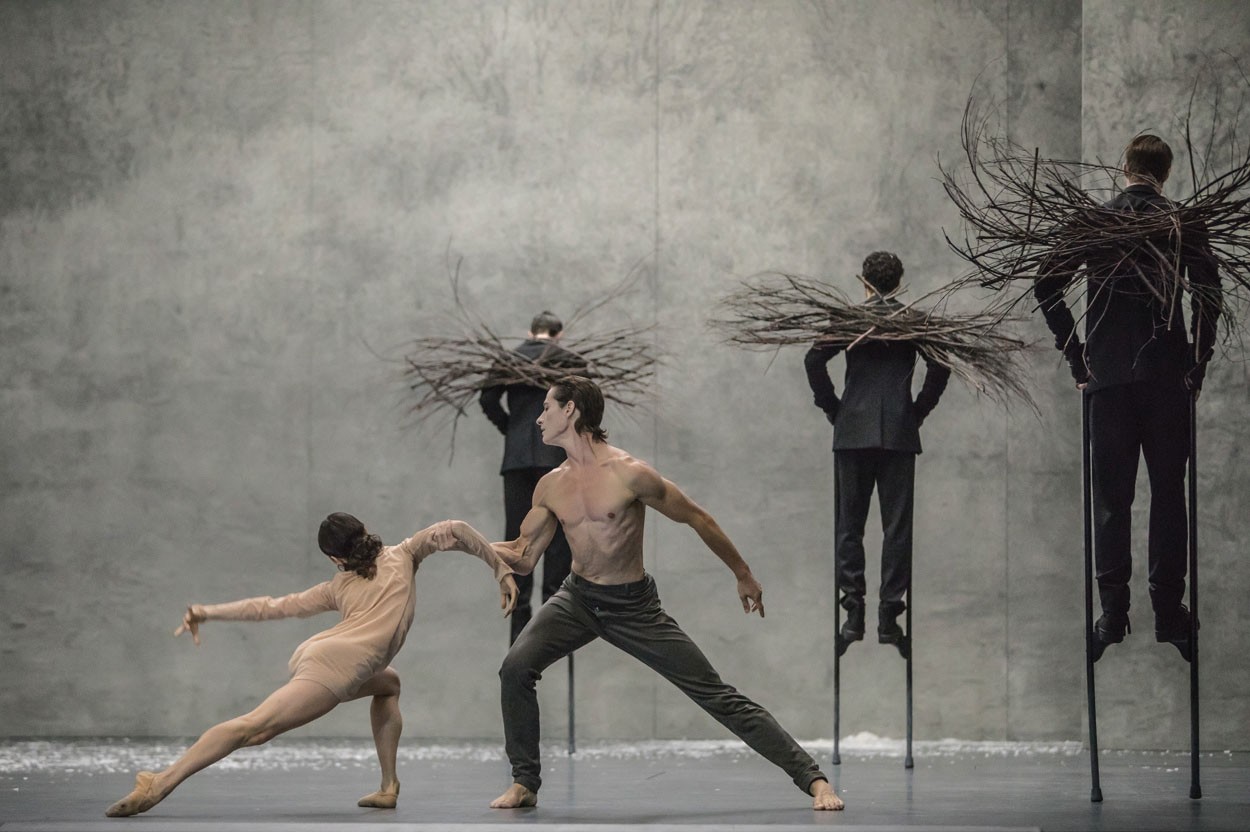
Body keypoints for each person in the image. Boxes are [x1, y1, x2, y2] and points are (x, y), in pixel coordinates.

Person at [484, 375, 843, 811]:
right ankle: (525, 782)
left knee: (715, 694)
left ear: (571, 410)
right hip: (576, 600)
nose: (539, 418)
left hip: (632, 606)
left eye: (546, 408)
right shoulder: (550, 485)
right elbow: (523, 556)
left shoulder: (630, 474)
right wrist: (460, 540)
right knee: (515, 669)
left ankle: (813, 779)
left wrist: (743, 573)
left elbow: (697, 518)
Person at [104, 515, 517, 817]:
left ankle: (388, 787)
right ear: (363, 532)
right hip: (333, 668)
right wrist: (498, 569)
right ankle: (158, 783)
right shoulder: (407, 553)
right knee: (254, 729)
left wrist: (206, 611)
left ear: (335, 558)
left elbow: (270, 607)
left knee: (389, 685)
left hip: (339, 661)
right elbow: (457, 529)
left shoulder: (340, 584)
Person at [1032, 134, 1222, 662]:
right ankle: (1168, 614)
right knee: (1168, 495)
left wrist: (1077, 357)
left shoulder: (1096, 221)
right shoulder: (1183, 222)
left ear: (1125, 169)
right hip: (1167, 380)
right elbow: (1209, 295)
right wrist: (1197, 363)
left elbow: (1046, 285)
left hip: (1109, 381)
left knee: (1112, 500)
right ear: (1165, 173)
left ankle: (1113, 615)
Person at [803, 252, 950, 651]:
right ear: (899, 283)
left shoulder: (851, 319)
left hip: (852, 432)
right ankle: (889, 616)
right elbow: (941, 367)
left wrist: (834, 409)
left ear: (864, 283)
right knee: (896, 528)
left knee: (849, 526)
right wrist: (916, 412)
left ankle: (853, 614)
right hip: (899, 434)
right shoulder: (913, 320)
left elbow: (813, 361)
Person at [480, 310, 584, 644]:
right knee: (558, 540)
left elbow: (487, 399)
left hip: (518, 460)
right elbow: (585, 407)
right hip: (556, 460)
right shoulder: (571, 362)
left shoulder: (509, 360)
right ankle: (553, 634)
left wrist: (511, 429)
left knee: (519, 541)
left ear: (530, 332)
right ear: (558, 334)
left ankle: (519, 640)